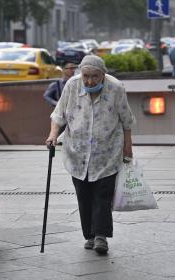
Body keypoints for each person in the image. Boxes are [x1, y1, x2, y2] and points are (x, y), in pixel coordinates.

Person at [45, 55, 135, 254]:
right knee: (83, 195)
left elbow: (126, 120)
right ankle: (90, 235)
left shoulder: (116, 88)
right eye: (86, 76)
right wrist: (53, 135)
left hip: (108, 152)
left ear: (103, 75)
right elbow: (58, 115)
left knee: (102, 195)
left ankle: (101, 236)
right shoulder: (72, 86)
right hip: (77, 153)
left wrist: (127, 147)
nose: (90, 81)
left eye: (95, 77)